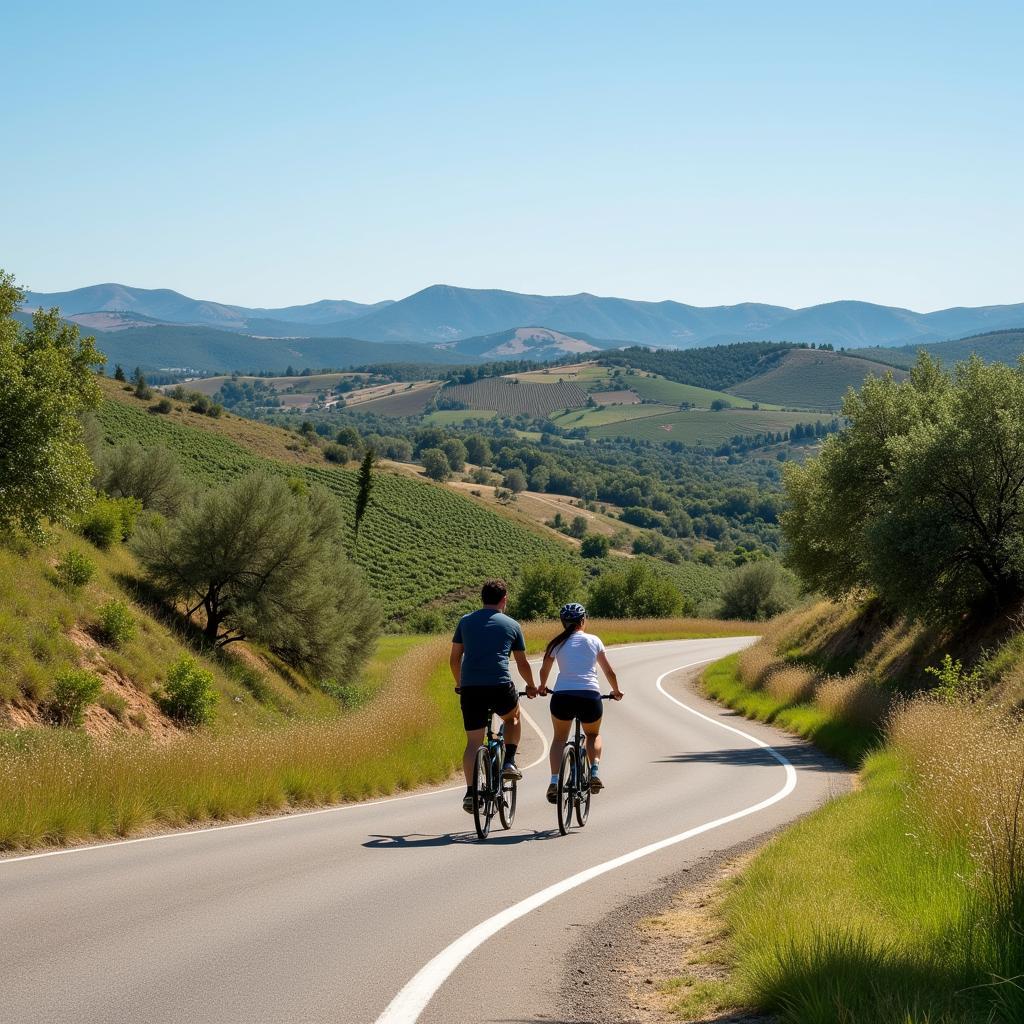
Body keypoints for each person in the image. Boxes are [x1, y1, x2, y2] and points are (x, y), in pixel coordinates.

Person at [451, 579, 537, 813]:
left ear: (482, 598)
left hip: (471, 689)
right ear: (504, 599)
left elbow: (454, 658)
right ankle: (509, 760)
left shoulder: (465, 622)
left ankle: (470, 793)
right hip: (499, 685)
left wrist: (460, 684)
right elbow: (521, 663)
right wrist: (531, 686)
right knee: (513, 718)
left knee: (473, 742)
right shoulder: (512, 624)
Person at [538, 602, 622, 804]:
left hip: (562, 697)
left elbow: (544, 670)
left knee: (559, 739)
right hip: (589, 696)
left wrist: (542, 686)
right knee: (592, 734)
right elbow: (609, 671)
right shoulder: (594, 640)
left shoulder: (556, 643)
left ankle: (554, 781)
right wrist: (616, 691)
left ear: (563, 622)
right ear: (583, 621)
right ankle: (594, 771)